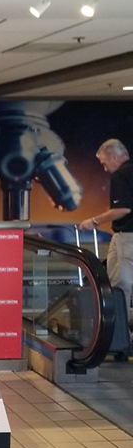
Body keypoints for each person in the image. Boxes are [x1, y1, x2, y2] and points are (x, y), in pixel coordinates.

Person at [79, 139, 133, 324]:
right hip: (124, 238)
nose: (105, 168)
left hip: (127, 237)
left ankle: (120, 335)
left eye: (104, 163)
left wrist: (94, 221)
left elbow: (123, 209)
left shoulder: (121, 175)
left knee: (120, 286)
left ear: (113, 156)